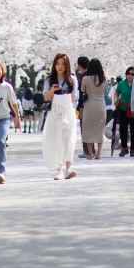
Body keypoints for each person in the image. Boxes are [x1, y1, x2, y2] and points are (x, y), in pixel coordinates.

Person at [41, 52, 81, 180]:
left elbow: (75, 98)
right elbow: (46, 97)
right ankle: (59, 169)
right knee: (56, 139)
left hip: (68, 112)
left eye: (63, 64)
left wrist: (73, 112)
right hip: (55, 112)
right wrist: (52, 91)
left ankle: (68, 168)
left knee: (69, 140)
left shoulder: (72, 79)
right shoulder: (49, 80)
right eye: (57, 64)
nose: (60, 66)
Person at [80, 60, 109, 160]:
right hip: (101, 105)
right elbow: (105, 92)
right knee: (99, 129)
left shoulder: (85, 78)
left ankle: (91, 153)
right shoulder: (103, 79)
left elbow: (83, 90)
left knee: (88, 128)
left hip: (89, 105)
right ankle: (99, 153)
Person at [113, 66, 134, 156]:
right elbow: (116, 93)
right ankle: (124, 148)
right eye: (128, 73)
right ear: (126, 74)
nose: (130, 76)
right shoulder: (121, 84)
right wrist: (116, 100)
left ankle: (133, 149)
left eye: (133, 74)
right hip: (123, 109)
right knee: (123, 129)